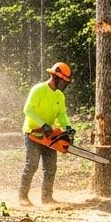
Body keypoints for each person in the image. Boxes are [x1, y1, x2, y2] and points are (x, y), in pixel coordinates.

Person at [19, 62, 74, 206]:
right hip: (33, 133)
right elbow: (28, 110)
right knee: (31, 165)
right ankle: (22, 196)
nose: (64, 84)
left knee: (50, 167)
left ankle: (47, 198)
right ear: (55, 77)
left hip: (49, 135)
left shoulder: (60, 96)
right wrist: (42, 124)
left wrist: (67, 127)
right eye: (63, 80)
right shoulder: (39, 89)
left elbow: (62, 115)